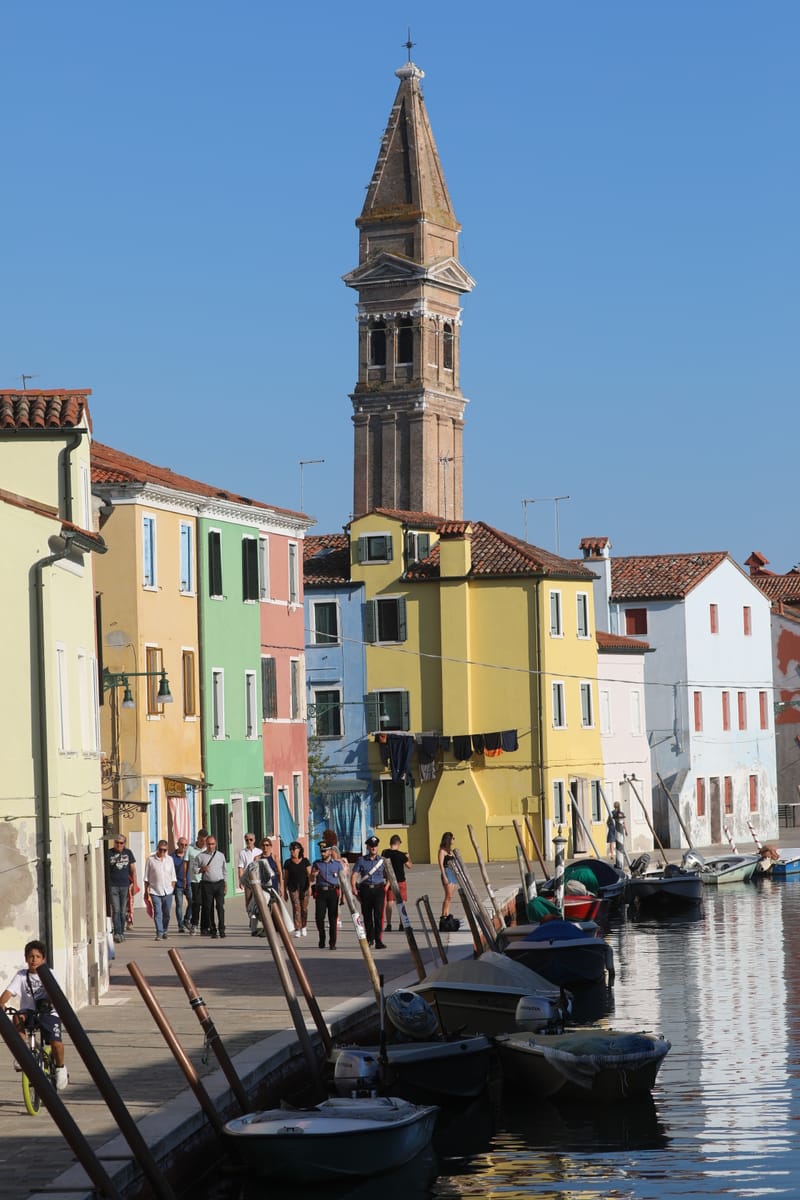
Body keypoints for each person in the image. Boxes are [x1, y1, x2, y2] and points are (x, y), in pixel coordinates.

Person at [0, 940, 69, 1090]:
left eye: (38, 956)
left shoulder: (49, 974)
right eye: (31, 956)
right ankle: (23, 1052)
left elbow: (56, 994)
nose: (34, 959)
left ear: (43, 959)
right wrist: (2, 1004)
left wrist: (49, 1002)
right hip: (29, 1012)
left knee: (56, 1044)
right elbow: (8, 992)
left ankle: (60, 1068)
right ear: (26, 958)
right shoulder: (21, 975)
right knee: (17, 1017)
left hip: (48, 1012)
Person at [353, 836, 387, 949]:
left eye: (375, 846)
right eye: (371, 846)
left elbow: (390, 876)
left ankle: (378, 940)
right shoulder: (361, 860)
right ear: (367, 847)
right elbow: (354, 875)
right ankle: (369, 938)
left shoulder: (382, 861)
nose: (373, 848)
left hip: (378, 889)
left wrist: (386, 887)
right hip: (366, 890)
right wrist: (353, 887)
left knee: (378, 916)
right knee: (367, 916)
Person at [311, 840, 343, 949]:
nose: (322, 853)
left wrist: (343, 896)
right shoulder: (316, 864)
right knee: (319, 917)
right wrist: (313, 875)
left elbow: (342, 880)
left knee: (333, 918)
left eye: (325, 851)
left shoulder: (338, 865)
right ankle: (322, 937)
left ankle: (332, 943)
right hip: (321, 893)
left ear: (330, 851)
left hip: (333, 892)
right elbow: (311, 879)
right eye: (321, 851)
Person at [107, 833, 137, 944]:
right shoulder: (109, 853)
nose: (119, 845)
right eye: (117, 842)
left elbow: (133, 870)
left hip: (125, 885)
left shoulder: (128, 853)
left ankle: (122, 932)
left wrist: (135, 884)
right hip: (113, 886)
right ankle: (117, 933)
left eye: (121, 843)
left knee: (123, 911)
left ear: (124, 844)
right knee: (116, 910)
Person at [144, 839, 177, 940]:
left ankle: (165, 930)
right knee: (158, 912)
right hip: (155, 890)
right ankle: (159, 932)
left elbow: (173, 876)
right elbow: (146, 877)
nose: (162, 852)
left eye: (164, 850)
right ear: (157, 848)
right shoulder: (150, 860)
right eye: (160, 849)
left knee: (166, 913)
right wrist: (146, 891)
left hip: (168, 890)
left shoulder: (170, 859)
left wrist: (172, 887)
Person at [250, 837, 283, 936]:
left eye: (267, 845)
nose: (265, 847)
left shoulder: (275, 857)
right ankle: (266, 928)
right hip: (262, 887)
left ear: (271, 846)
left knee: (274, 906)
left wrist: (281, 886)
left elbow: (280, 872)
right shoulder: (257, 858)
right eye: (263, 845)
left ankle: (276, 927)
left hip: (273, 885)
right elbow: (254, 872)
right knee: (264, 907)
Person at [196, 835, 227, 938]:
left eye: (212, 844)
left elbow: (224, 871)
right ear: (206, 844)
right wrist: (201, 869)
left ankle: (222, 929)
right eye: (209, 844)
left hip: (219, 883)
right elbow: (194, 869)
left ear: (215, 844)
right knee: (209, 908)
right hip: (207, 885)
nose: (210, 846)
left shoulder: (221, 855)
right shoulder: (201, 856)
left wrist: (225, 884)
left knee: (220, 907)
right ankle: (212, 930)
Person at [382, 834, 413, 931]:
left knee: (389, 903)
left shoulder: (385, 853)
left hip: (389, 881)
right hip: (400, 881)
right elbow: (410, 866)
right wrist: (408, 857)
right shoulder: (401, 855)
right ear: (398, 843)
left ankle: (389, 924)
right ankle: (401, 923)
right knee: (401, 902)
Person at [283, 841, 311, 937]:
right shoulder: (288, 862)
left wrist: (310, 887)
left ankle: (304, 926)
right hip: (292, 888)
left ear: (299, 850)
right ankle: (297, 928)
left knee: (304, 908)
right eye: (290, 849)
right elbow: (286, 877)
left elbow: (309, 875)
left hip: (305, 888)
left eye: (293, 849)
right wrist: (285, 891)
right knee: (296, 907)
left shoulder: (305, 861)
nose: (292, 851)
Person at [237, 833, 262, 935]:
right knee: (248, 902)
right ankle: (251, 920)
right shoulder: (242, 852)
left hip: (258, 880)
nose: (249, 842)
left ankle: (256, 923)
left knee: (258, 901)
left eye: (251, 840)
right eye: (247, 840)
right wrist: (241, 880)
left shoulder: (259, 851)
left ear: (254, 840)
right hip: (248, 880)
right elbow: (240, 867)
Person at [187, 829, 209, 935]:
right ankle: (194, 924)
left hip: (207, 880)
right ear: (197, 838)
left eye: (205, 840)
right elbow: (185, 864)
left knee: (206, 904)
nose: (203, 843)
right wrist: (184, 879)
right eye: (201, 840)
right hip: (194, 880)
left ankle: (205, 927)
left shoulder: (208, 849)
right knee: (197, 902)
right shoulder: (190, 848)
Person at [438, 832, 460, 931]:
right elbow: (441, 864)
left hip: (453, 872)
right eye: (452, 838)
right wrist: (444, 876)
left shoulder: (450, 851)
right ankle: (444, 915)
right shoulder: (442, 851)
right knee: (448, 895)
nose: (453, 840)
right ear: (448, 839)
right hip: (446, 872)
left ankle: (447, 914)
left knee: (450, 897)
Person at [170, 838, 191, 932]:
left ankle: (186, 919)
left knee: (193, 902)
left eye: (186, 845)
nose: (184, 847)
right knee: (179, 905)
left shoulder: (189, 855)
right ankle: (180, 925)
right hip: (178, 884)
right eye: (182, 844)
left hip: (189, 883)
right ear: (177, 844)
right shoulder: (172, 857)